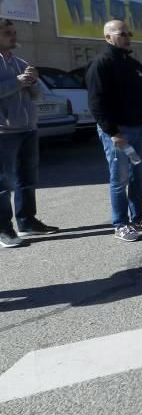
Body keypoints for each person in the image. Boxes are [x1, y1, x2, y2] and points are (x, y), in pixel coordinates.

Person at [86, 19, 142, 241]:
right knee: (119, 179)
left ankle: (139, 216)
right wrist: (112, 132)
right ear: (108, 37)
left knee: (139, 175)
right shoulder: (101, 64)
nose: (128, 37)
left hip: (139, 129)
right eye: (122, 34)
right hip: (119, 132)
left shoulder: (134, 64)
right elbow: (95, 102)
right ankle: (120, 223)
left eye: (129, 33)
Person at [0, 19, 58, 247]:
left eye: (14, 33)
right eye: (7, 33)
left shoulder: (21, 62)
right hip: (4, 131)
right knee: (3, 184)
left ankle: (27, 221)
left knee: (27, 178)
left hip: (28, 128)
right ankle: (4, 229)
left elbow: (37, 97)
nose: (13, 37)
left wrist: (33, 82)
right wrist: (16, 82)